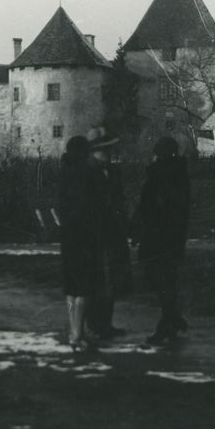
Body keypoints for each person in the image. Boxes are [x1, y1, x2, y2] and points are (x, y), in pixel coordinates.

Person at [135, 136, 191, 345]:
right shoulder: (180, 174)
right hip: (174, 237)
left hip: (157, 237)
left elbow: (147, 207)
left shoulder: (158, 176)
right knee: (168, 280)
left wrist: (137, 229)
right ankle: (173, 319)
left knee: (161, 281)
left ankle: (168, 322)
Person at [85, 126, 131, 340]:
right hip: (94, 234)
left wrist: (124, 224)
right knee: (96, 279)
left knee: (111, 278)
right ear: (98, 150)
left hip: (113, 234)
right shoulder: (86, 171)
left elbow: (119, 201)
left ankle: (106, 323)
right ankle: (93, 324)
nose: (111, 152)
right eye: (108, 148)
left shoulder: (113, 172)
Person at [58, 135, 103, 351]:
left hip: (68, 235)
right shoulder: (88, 172)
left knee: (72, 287)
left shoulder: (63, 172)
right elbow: (94, 205)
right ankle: (78, 335)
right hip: (85, 235)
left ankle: (74, 332)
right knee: (85, 287)